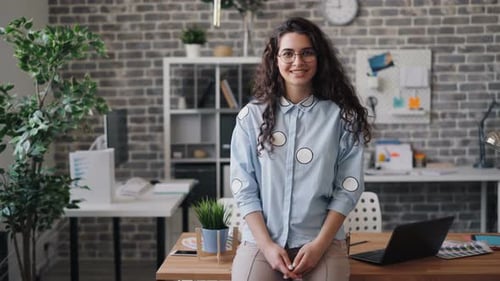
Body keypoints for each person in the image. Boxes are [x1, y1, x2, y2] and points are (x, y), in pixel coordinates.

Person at [229, 17, 372, 281]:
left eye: (307, 53)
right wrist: (268, 247)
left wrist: (319, 246)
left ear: (320, 58)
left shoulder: (342, 118)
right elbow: (243, 187)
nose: (298, 62)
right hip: (263, 241)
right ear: (275, 60)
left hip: (321, 242)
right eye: (288, 53)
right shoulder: (250, 117)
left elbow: (348, 188)